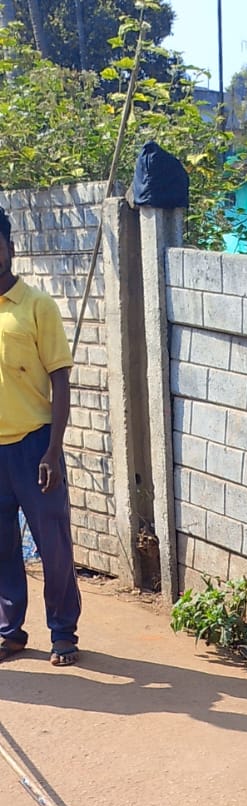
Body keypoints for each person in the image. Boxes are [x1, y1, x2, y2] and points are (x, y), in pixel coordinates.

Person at [0, 205, 81, 666]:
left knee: (53, 545)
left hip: (34, 446)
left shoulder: (37, 307)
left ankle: (63, 632)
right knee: (2, 548)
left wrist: (54, 449)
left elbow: (61, 380)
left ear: (10, 249)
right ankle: (10, 631)